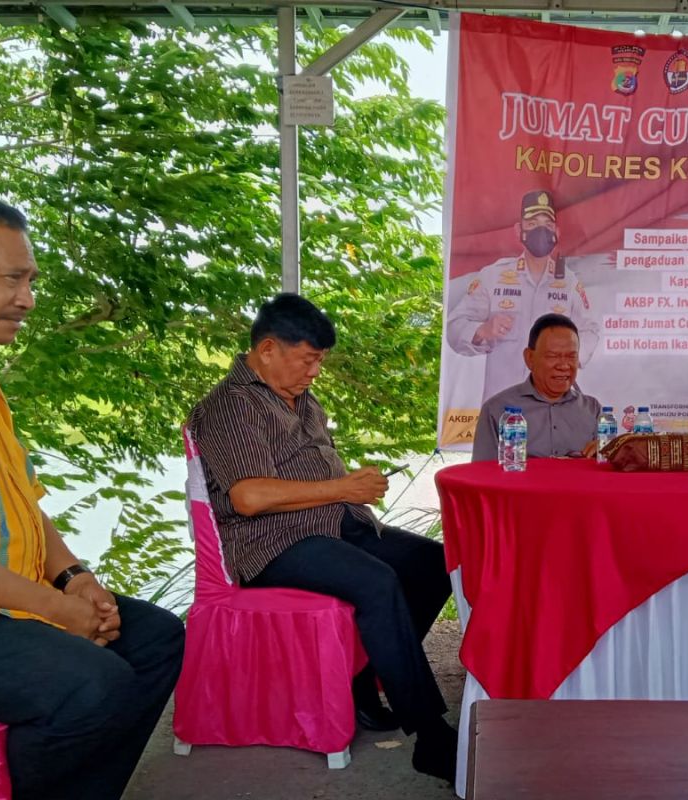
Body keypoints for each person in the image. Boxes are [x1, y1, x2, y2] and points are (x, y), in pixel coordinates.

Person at [187, 293, 457, 780]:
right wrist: (343, 486)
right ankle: (430, 736)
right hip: (274, 542)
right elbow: (248, 497)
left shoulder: (302, 400)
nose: (314, 372)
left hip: (334, 523)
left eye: (320, 362)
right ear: (268, 349)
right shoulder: (232, 405)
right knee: (377, 583)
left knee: (433, 566)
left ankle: (361, 682)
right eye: (308, 359)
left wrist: (350, 490)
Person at [0, 198, 185, 800]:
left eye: (31, 281)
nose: (28, 298)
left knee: (156, 637)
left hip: (8, 601)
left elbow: (24, 505)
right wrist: (54, 609)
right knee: (91, 688)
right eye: (11, 279)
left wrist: (74, 578)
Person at [446, 190, 599, 404]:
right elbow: (454, 327)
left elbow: (590, 329)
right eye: (532, 223)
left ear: (557, 231)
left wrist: (569, 357)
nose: (541, 229)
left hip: (553, 405)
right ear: (519, 230)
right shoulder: (494, 276)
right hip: (503, 406)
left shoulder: (569, 282)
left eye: (547, 224)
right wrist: (483, 330)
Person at [472, 313, 602, 462]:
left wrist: (604, 453)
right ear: (530, 358)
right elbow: (482, 475)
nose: (564, 366)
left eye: (571, 356)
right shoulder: (497, 410)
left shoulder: (592, 409)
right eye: (553, 356)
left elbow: (606, 472)